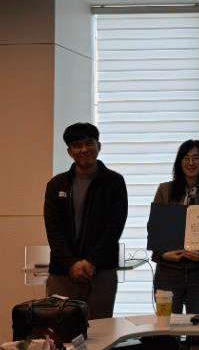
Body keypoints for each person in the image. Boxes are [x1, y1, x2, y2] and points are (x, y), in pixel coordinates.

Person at [43, 122, 128, 319]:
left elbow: (114, 227)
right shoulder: (57, 184)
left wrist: (92, 261)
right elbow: (53, 229)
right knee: (61, 331)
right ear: (69, 151)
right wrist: (71, 264)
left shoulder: (114, 182)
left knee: (100, 331)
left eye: (89, 143)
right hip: (62, 273)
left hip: (101, 272)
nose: (84, 150)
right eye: (77, 145)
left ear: (99, 146)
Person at [151, 140, 199, 315]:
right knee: (165, 325)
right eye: (186, 158)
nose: (191, 163)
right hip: (168, 271)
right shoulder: (165, 190)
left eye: (196, 158)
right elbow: (154, 227)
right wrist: (163, 254)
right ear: (179, 162)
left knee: (198, 325)